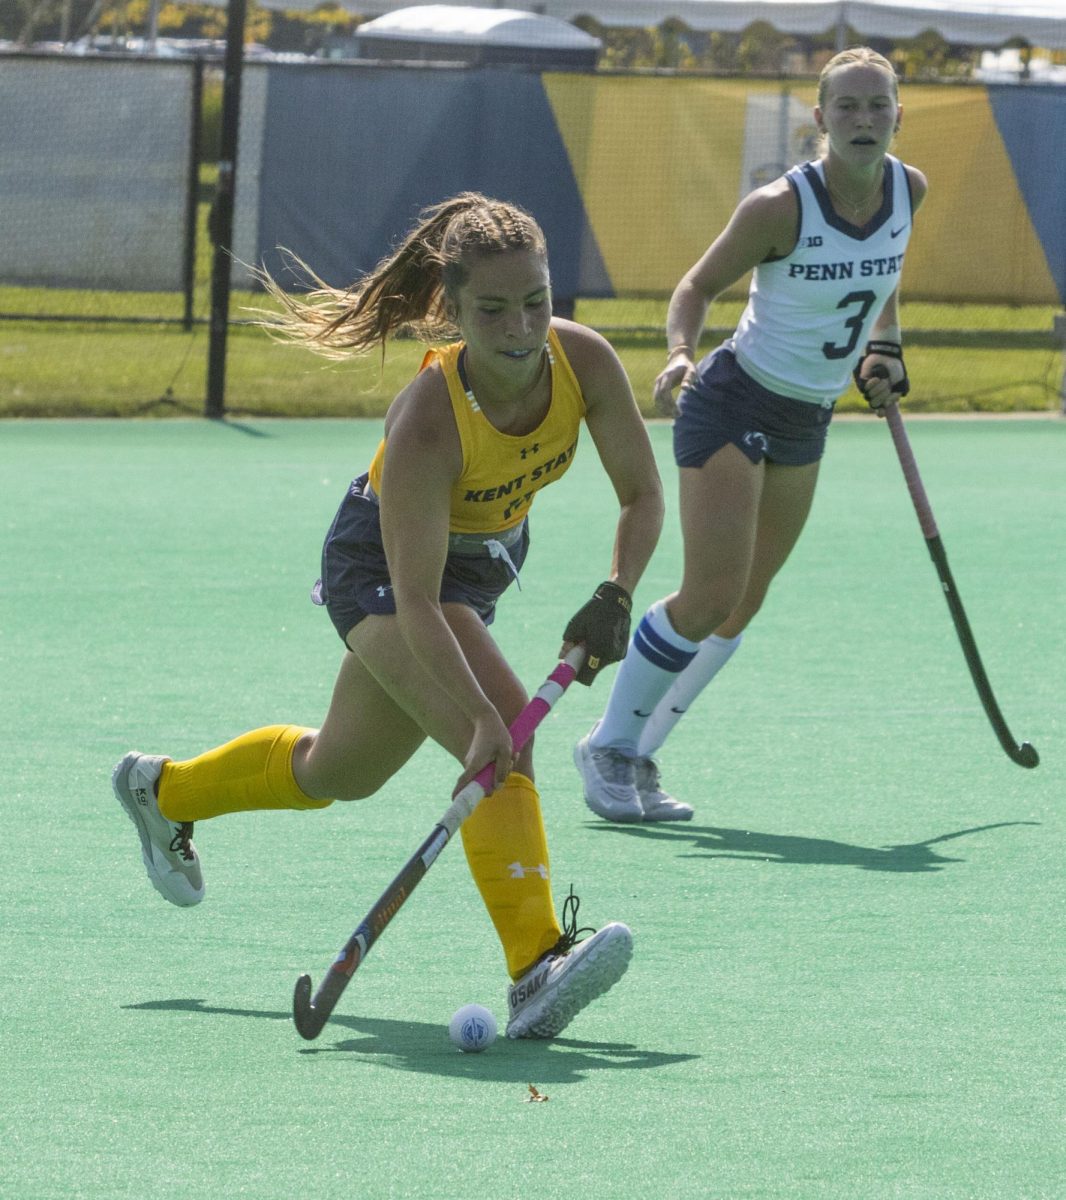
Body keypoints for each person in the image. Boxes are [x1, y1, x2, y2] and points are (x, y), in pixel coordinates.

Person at [113, 193, 664, 1038]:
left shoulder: (582, 364)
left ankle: (164, 790)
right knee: (506, 742)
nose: (520, 328)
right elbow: (416, 599)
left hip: (472, 573)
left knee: (340, 771)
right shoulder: (428, 425)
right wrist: (483, 717)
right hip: (382, 573)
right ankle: (536, 964)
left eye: (536, 302)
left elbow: (642, 493)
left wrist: (618, 590)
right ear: (453, 309)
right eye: (492, 309)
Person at [574, 47, 927, 822]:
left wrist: (886, 345)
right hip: (734, 401)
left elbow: (885, 270)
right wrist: (677, 354)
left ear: (899, 114)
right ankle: (605, 746)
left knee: (745, 602)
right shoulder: (780, 206)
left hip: (810, 414)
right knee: (709, 594)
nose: (863, 120)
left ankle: (638, 753)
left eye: (878, 107)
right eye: (848, 107)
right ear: (820, 119)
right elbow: (697, 285)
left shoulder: (909, 189)